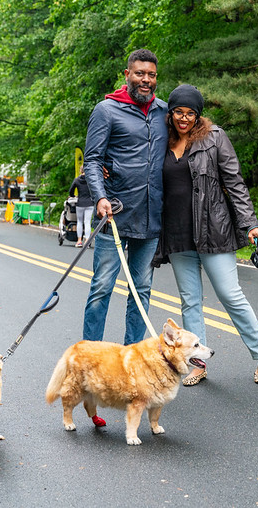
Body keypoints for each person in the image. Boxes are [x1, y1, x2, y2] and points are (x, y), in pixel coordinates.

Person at [152, 84, 258, 385]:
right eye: (178, 112)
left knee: (230, 295)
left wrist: (250, 224)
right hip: (177, 234)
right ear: (171, 113)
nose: (184, 118)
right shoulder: (161, 140)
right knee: (190, 301)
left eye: (190, 113)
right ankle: (198, 364)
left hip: (214, 231)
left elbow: (235, 182)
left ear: (198, 115)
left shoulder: (214, 137)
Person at [82, 48, 168, 345]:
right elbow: (92, 160)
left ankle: (134, 356)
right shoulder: (106, 110)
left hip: (151, 217)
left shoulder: (164, 112)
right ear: (127, 74)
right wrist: (99, 197)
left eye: (151, 75)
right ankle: (90, 355)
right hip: (114, 215)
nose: (146, 80)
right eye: (140, 73)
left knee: (141, 290)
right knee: (102, 287)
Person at [69, 166, 95, 248]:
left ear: (81, 171)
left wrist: (73, 196)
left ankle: (79, 241)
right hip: (90, 203)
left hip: (80, 203)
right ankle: (87, 241)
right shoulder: (90, 180)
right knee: (87, 222)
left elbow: (71, 191)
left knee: (80, 222)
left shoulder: (77, 180)